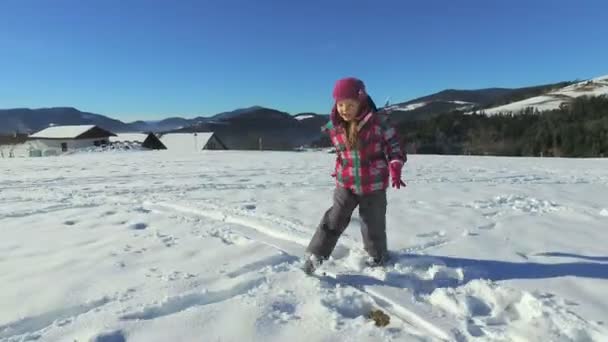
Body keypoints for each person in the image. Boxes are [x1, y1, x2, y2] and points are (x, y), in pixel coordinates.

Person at [303, 77, 406, 274]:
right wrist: (340, 166)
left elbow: (395, 145)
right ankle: (316, 254)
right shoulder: (335, 126)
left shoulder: (379, 123)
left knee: (373, 223)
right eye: (340, 104)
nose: (344, 109)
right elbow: (342, 151)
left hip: (373, 184)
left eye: (350, 104)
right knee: (334, 218)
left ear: (362, 102)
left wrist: (395, 163)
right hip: (346, 183)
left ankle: (377, 256)